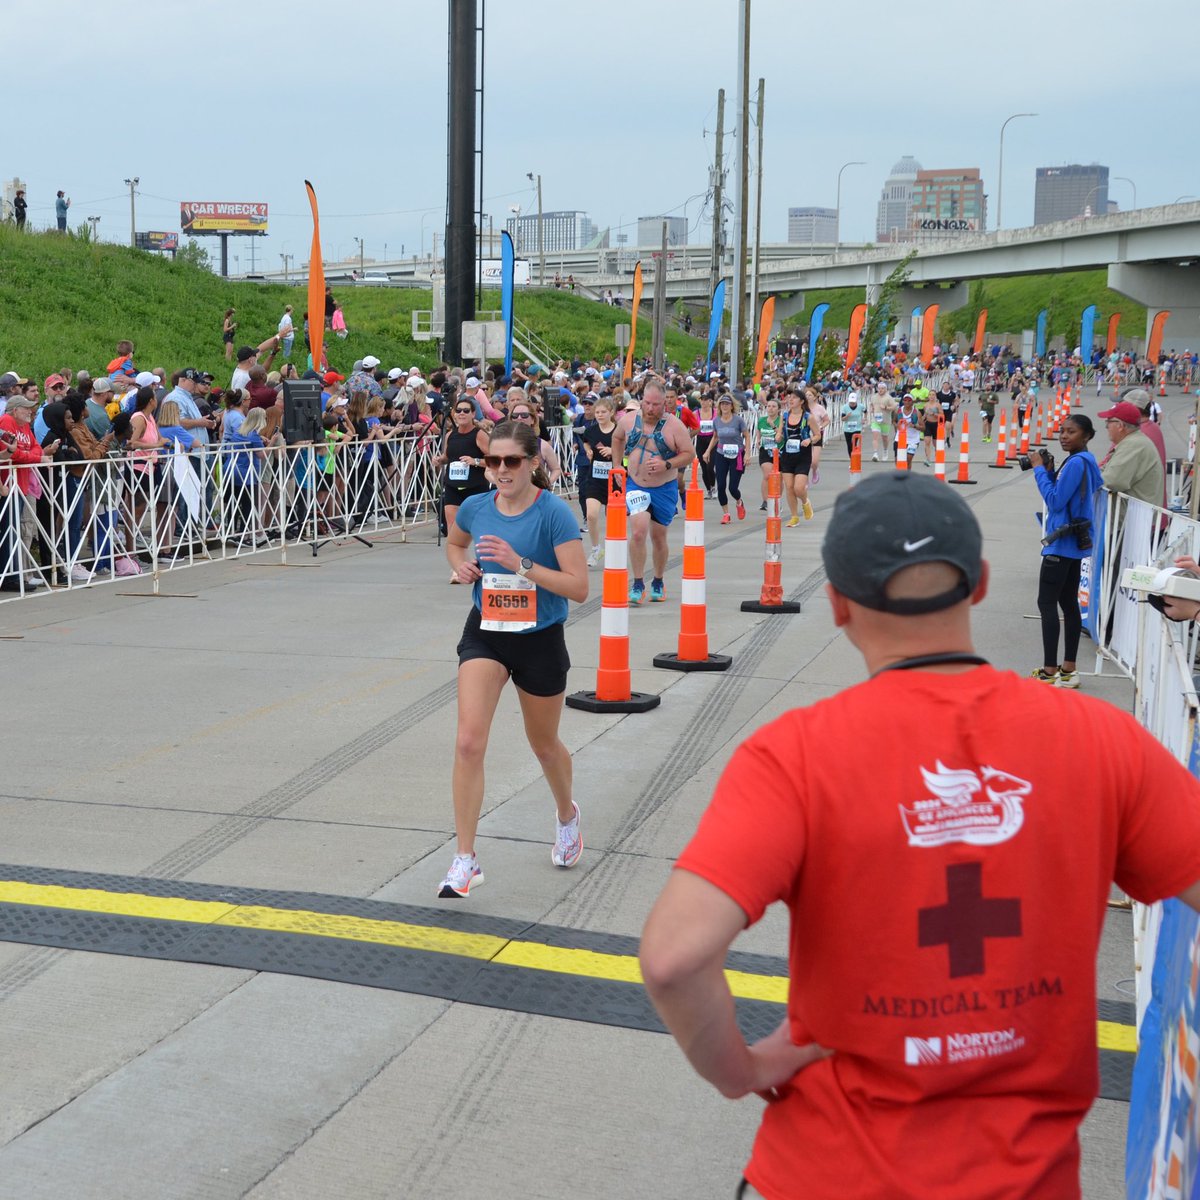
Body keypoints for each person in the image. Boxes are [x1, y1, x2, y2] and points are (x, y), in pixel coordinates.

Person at [639, 469, 1200, 1200]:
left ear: (837, 603)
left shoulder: (796, 754)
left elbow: (674, 959)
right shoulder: (1100, 740)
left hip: (826, 1173)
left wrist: (740, 1071)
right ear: (982, 583)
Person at [439, 418, 588, 898]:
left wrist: (519, 564)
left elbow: (579, 588)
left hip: (539, 636)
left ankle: (567, 814)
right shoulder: (478, 507)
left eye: (511, 461)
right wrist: (459, 566)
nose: (501, 470)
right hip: (486, 631)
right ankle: (465, 860)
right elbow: (456, 541)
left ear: (532, 463)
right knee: (467, 742)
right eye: (492, 461)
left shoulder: (554, 514)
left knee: (544, 745)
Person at [1028, 415, 1103, 687]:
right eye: (1061, 431)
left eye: (1071, 432)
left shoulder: (1075, 463)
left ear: (1087, 436)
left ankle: (1049, 672)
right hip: (1076, 543)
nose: (1063, 436)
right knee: (1069, 604)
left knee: (1046, 604)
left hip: (1062, 543)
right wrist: (1050, 472)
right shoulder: (1088, 461)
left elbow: (1055, 501)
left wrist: (1038, 470)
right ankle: (1069, 669)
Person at [610, 380, 696, 604]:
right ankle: (638, 583)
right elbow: (617, 438)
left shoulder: (674, 425)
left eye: (656, 404)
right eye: (647, 403)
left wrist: (667, 464)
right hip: (636, 485)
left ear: (665, 404)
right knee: (638, 531)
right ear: (641, 401)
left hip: (663, 488)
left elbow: (689, 453)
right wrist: (617, 465)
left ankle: (658, 579)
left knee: (658, 537)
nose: (651, 408)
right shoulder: (628, 420)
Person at [435, 396, 492, 569]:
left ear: (473, 413)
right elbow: (448, 457)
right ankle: (458, 569)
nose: (462, 414)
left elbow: (494, 459)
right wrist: (439, 460)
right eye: (458, 411)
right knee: (453, 530)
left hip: (475, 486)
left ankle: (483, 564)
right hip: (453, 485)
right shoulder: (451, 435)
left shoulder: (480, 434)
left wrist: (475, 461)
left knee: (477, 528)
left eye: (466, 411)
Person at [1098, 399, 1165, 506]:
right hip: (1134, 514)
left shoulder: (1133, 445)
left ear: (1120, 426)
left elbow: (1111, 481)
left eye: (1108, 422)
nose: (1107, 427)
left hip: (1132, 517)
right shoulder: (1133, 441)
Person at [580, 396, 618, 567]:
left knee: (612, 520)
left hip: (614, 481)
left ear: (611, 412)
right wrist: (588, 451)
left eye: (603, 412)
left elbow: (629, 453)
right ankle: (596, 549)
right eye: (597, 412)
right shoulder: (591, 431)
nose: (600, 415)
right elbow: (586, 441)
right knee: (591, 514)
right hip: (594, 478)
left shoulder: (618, 432)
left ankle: (613, 550)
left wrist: (613, 451)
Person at [703, 395, 750, 525]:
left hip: (737, 455)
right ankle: (726, 514)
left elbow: (746, 435)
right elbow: (715, 437)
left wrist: (747, 454)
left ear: (731, 406)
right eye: (722, 404)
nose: (724, 406)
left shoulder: (738, 420)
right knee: (721, 486)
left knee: (733, 488)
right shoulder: (716, 421)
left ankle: (739, 501)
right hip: (721, 454)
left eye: (727, 404)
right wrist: (707, 451)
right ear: (719, 406)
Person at [778, 388, 813, 527]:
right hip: (787, 455)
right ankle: (794, 517)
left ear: (802, 401)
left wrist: (809, 440)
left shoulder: (808, 417)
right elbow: (780, 432)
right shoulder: (785, 416)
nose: (790, 400)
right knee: (789, 487)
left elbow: (817, 435)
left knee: (799, 488)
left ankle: (805, 502)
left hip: (803, 455)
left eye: (794, 397)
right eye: (789, 397)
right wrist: (778, 436)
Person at [756, 396, 782, 510]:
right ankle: (766, 501)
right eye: (769, 406)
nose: (770, 409)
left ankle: (777, 500)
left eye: (773, 406)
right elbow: (759, 433)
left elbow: (781, 437)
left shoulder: (782, 420)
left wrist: (773, 425)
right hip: (765, 450)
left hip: (779, 451)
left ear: (778, 409)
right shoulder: (761, 420)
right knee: (767, 475)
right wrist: (757, 441)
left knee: (779, 476)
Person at [867, 383, 897, 462]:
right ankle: (875, 454)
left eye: (882, 388)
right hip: (876, 420)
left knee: (885, 438)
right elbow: (871, 404)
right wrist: (871, 408)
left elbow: (894, 407)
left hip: (885, 420)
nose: (880, 390)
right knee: (875, 436)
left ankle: (885, 451)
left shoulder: (889, 398)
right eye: (879, 388)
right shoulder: (874, 397)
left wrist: (886, 407)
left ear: (886, 389)